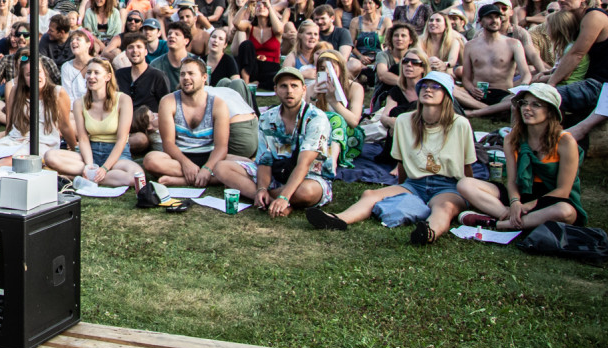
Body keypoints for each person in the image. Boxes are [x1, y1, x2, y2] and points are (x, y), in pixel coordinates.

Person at [307, 71, 474, 244]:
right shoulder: (404, 121)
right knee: (370, 194)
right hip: (415, 183)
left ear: (446, 94)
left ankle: (428, 232)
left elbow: (467, 165)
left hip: (447, 185)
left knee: (444, 208)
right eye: (424, 86)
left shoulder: (459, 124)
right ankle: (337, 219)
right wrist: (402, 189)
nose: (428, 90)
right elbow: (401, 162)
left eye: (435, 87)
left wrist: (470, 195)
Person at [456, 83, 586, 230]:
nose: (527, 108)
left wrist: (526, 207)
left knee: (565, 212)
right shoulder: (511, 139)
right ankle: (515, 217)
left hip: (551, 199)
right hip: (522, 193)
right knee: (465, 184)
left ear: (550, 112)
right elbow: (511, 181)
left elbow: (563, 191)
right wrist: (515, 202)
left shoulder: (565, 141)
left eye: (536, 105)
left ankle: (498, 224)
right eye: (524, 103)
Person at [214, 67, 333, 218]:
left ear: (303, 89)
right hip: (276, 175)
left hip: (309, 176)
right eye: (284, 86)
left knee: (307, 191)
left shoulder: (316, 119)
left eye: (294, 86)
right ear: (276, 90)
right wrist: (262, 188)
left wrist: (284, 196)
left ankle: (270, 198)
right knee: (221, 167)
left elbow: (304, 164)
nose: (289, 91)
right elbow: (265, 160)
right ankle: (269, 200)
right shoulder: (267, 117)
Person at [143, 56, 248, 187]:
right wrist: (185, 163)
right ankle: (210, 179)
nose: (186, 77)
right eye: (182, 74)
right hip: (179, 157)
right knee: (150, 160)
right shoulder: (168, 102)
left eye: (191, 73)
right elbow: (168, 143)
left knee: (247, 165)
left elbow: (221, 146)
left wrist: (208, 168)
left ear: (204, 77)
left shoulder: (218, 104)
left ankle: (182, 180)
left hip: (210, 156)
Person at [72, 58, 145, 187]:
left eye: (96, 73)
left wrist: (105, 168)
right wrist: (89, 166)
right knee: (51, 157)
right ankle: (93, 175)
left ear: (107, 77)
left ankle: (83, 178)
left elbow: (122, 139)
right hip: (91, 151)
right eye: (89, 72)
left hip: (116, 153)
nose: (91, 77)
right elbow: (83, 138)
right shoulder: (79, 103)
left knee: (137, 175)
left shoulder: (123, 99)